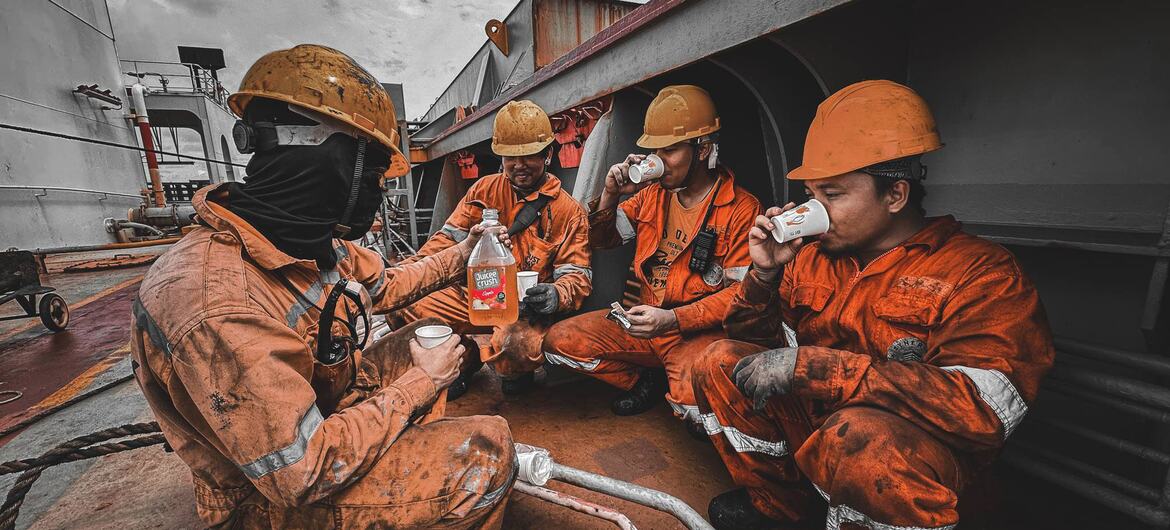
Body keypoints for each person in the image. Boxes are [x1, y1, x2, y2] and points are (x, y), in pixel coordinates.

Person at [130, 45, 515, 529]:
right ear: (330, 159)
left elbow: (388, 285)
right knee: (487, 451)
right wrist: (423, 383)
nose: (379, 191)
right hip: (267, 499)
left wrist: (463, 255)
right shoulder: (216, 304)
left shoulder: (300, 238)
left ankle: (403, 478)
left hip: (319, 406)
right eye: (372, 172)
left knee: (432, 334)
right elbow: (300, 471)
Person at [695, 80, 1055, 530]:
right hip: (819, 436)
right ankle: (780, 508)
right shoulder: (812, 258)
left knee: (863, 438)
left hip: (904, 463)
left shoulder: (982, 273)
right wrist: (764, 274)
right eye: (812, 195)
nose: (816, 209)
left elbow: (984, 412)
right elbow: (752, 349)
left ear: (895, 195)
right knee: (718, 361)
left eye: (833, 195)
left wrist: (818, 368)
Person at [543, 85, 760, 431]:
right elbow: (602, 239)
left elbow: (741, 296)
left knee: (695, 407)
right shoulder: (652, 197)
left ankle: (675, 383)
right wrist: (611, 194)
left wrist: (673, 319)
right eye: (656, 149)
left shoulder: (740, 209)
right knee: (559, 343)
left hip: (695, 332)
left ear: (702, 150)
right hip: (643, 323)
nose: (659, 159)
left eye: (670, 150)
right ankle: (643, 382)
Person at [392, 100, 592, 397]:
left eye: (528, 156)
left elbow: (577, 275)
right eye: (510, 157)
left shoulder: (567, 211)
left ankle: (513, 368)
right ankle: (464, 358)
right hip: (476, 297)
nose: (519, 165)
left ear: (548, 154)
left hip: (523, 310)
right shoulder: (483, 191)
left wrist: (555, 294)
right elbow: (445, 241)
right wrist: (409, 269)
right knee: (405, 303)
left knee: (515, 346)